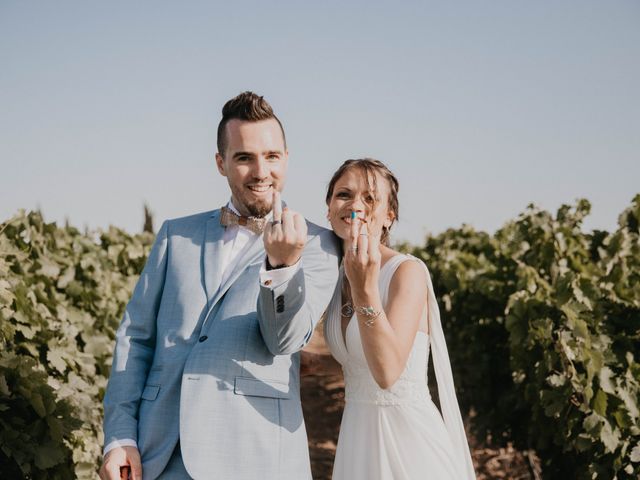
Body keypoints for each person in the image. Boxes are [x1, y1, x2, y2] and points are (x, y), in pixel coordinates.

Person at [99, 92, 340, 480]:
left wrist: (282, 265)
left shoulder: (319, 245)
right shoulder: (175, 236)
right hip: (158, 452)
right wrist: (120, 436)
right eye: (244, 157)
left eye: (272, 156)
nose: (261, 171)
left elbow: (283, 340)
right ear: (220, 163)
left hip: (254, 456)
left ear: (286, 159)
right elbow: (136, 340)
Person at [302, 158, 476, 479]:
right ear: (328, 209)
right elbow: (361, 358)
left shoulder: (406, 272)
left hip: (408, 444)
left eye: (370, 198)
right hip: (358, 437)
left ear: (388, 217)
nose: (356, 205)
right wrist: (315, 363)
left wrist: (364, 288)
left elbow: (388, 372)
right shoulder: (334, 274)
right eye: (344, 194)